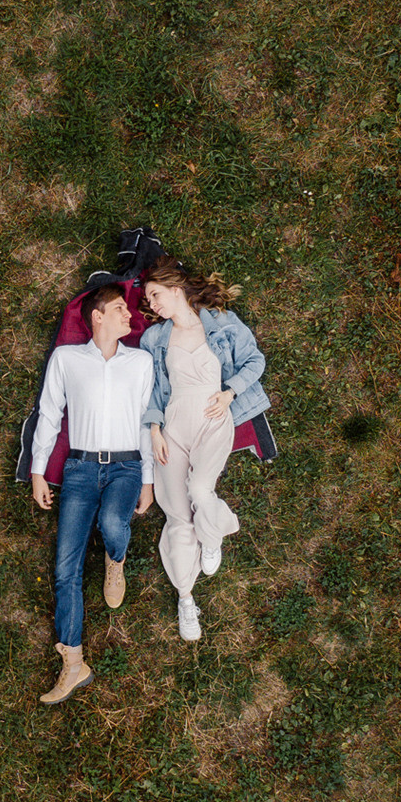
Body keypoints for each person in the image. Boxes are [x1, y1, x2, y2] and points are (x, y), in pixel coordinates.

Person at [29, 283, 156, 705]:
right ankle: (73, 662)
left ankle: (114, 559)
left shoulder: (141, 362)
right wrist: (38, 470)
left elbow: (146, 422)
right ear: (97, 316)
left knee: (112, 524)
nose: (130, 316)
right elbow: (49, 414)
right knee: (65, 570)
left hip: (126, 466)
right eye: (121, 309)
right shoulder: (67, 359)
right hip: (80, 470)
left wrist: (150, 480)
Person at [138, 255, 269, 641]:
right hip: (173, 421)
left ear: (176, 290)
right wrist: (155, 428)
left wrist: (230, 393)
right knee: (178, 513)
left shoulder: (223, 323)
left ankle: (213, 536)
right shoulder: (153, 339)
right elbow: (150, 392)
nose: (153, 305)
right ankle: (185, 597)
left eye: (156, 295)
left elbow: (254, 361)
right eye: (149, 300)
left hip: (213, 417)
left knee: (200, 490)